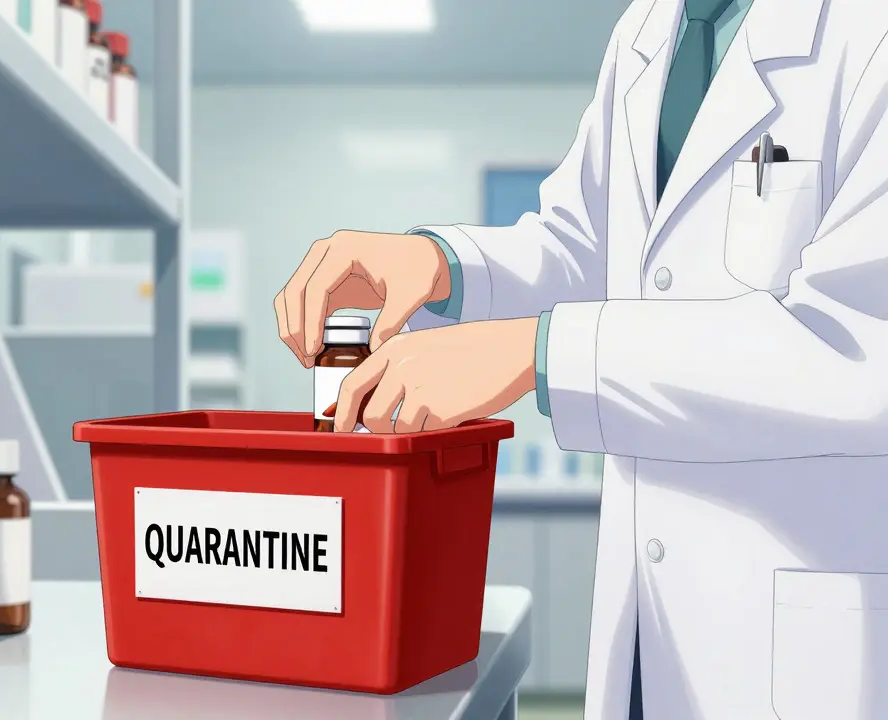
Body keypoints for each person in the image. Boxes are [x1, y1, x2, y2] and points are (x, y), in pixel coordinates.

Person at [275, 1, 888, 718]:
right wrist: (439, 262)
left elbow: (854, 346)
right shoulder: (646, 31)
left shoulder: (864, 30)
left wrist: (537, 353)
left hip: (796, 638)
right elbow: (582, 248)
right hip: (644, 628)